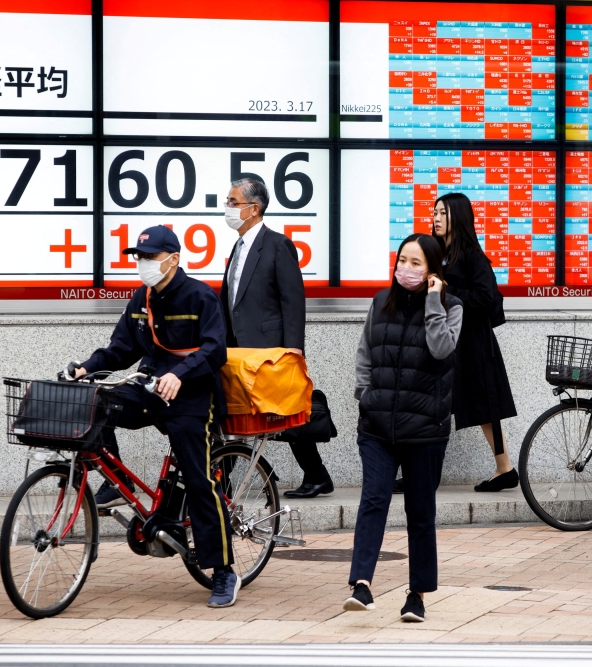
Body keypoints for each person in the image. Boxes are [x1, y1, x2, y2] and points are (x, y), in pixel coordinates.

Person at [72, 225, 240, 608]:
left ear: (174, 259)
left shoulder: (200, 296)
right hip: (148, 388)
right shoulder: (142, 298)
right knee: (98, 403)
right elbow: (119, 349)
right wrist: (85, 367)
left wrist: (179, 375)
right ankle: (112, 485)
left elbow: (216, 352)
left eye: (150, 257)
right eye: (139, 257)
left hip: (192, 394)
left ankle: (223, 572)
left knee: (199, 481)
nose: (143, 264)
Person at [343, 233, 463, 623]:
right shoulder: (380, 302)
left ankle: (417, 595)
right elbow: (365, 351)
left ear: (432, 271)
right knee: (373, 501)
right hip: (377, 424)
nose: (405, 270)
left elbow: (442, 348)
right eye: (402, 261)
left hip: (425, 429)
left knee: (420, 513)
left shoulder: (451, 306)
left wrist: (433, 301)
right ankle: (361, 584)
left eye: (416, 263)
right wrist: (364, 394)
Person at [220, 177, 335, 499]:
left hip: (270, 350)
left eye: (233, 202)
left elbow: (292, 300)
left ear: (253, 209)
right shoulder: (238, 246)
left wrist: (293, 351)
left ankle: (316, 476)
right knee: (235, 414)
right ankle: (222, 481)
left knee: (285, 413)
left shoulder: (277, 245)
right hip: (238, 351)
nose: (227, 208)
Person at [431, 192, 519, 492]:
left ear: (459, 216)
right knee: (436, 406)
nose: (436, 218)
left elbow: (486, 297)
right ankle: (425, 471)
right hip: (445, 340)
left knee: (483, 407)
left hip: (473, 344)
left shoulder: (470, 254)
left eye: (442, 213)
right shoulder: (437, 253)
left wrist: (447, 291)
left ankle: (505, 468)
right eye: (434, 212)